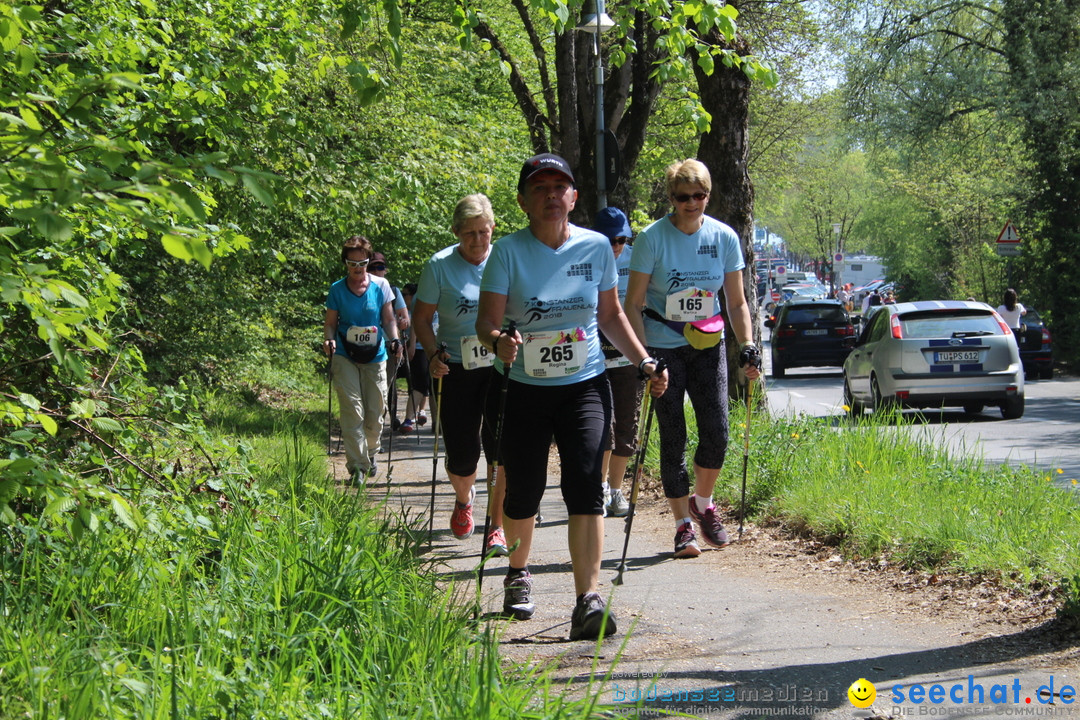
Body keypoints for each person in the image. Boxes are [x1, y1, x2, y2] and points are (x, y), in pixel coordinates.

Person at [475, 153, 667, 640]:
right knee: (524, 491)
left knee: (586, 483)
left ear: (574, 197)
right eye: (539, 187)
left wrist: (643, 361)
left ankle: (588, 598)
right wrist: (500, 341)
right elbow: (486, 322)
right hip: (524, 385)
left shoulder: (597, 247)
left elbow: (611, 316)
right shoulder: (508, 252)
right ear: (522, 200)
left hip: (584, 382)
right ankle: (518, 573)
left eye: (560, 186)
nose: (550, 195)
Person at [623, 158, 762, 560]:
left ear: (708, 195)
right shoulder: (652, 239)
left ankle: (703, 502)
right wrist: (644, 356)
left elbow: (735, 302)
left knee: (717, 429)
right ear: (671, 198)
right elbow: (632, 305)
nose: (692, 203)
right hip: (664, 344)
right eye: (683, 197)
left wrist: (748, 344)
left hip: (708, 341)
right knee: (673, 434)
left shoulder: (723, 238)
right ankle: (683, 526)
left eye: (699, 196)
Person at [413, 194, 509, 555]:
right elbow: (422, 319)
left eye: (483, 232)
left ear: (493, 229)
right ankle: (464, 498)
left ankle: (496, 525)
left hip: (502, 366)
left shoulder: (505, 259)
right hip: (457, 367)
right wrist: (434, 354)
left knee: (500, 449)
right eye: (469, 233)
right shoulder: (439, 266)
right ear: (456, 232)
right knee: (463, 453)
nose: (477, 240)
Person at [322, 236, 404, 482]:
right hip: (345, 355)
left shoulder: (381, 286)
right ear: (345, 263)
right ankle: (357, 467)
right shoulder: (337, 289)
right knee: (352, 410)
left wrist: (395, 339)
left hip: (375, 355)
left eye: (363, 263)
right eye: (352, 264)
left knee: (375, 411)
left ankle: (370, 452)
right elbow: (330, 324)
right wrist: (329, 340)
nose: (358, 269)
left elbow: (389, 319)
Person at [592, 207, 641, 518]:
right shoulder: (584, 256)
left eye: (621, 239)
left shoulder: (637, 259)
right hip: (593, 358)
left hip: (628, 357)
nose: (616, 245)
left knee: (626, 428)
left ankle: (616, 491)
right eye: (610, 239)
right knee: (602, 430)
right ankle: (598, 489)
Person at [369, 251, 411, 430]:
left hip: (389, 345)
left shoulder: (392, 290)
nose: (377, 270)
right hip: (366, 345)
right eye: (373, 267)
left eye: (380, 267)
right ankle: (370, 426)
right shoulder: (357, 288)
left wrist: (402, 322)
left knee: (383, 388)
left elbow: (405, 318)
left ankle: (376, 426)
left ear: (385, 270)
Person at [398, 283, 430, 434]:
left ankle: (437, 422)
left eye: (405, 294)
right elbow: (417, 323)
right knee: (420, 383)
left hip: (436, 346)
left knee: (431, 385)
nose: (403, 297)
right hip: (419, 348)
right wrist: (411, 345)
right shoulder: (417, 302)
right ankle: (408, 418)